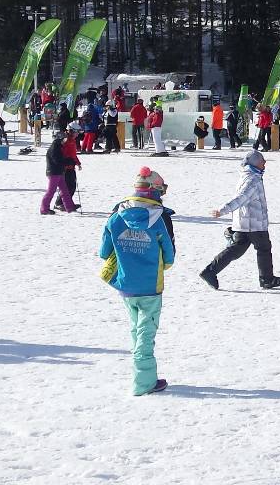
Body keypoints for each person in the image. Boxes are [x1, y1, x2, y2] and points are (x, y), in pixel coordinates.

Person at [98, 167, 175, 395]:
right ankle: (144, 382)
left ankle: (142, 374)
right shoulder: (158, 219)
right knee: (146, 334)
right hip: (150, 286)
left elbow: (104, 252)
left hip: (126, 285)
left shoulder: (116, 216)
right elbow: (169, 257)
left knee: (136, 330)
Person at [200, 150, 280, 290]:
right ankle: (266, 279)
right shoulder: (252, 180)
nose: (264, 163)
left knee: (235, 250)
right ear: (255, 163)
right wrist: (223, 210)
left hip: (245, 222)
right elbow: (241, 198)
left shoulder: (249, 175)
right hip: (254, 223)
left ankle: (210, 271)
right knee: (263, 248)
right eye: (262, 161)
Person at [41, 130, 80, 214]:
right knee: (51, 191)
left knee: (64, 190)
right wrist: (68, 161)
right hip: (53, 172)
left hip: (59, 172)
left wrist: (70, 160)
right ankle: (44, 209)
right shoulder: (54, 148)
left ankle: (69, 207)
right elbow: (57, 161)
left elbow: (61, 159)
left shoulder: (59, 147)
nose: (65, 141)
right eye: (64, 139)